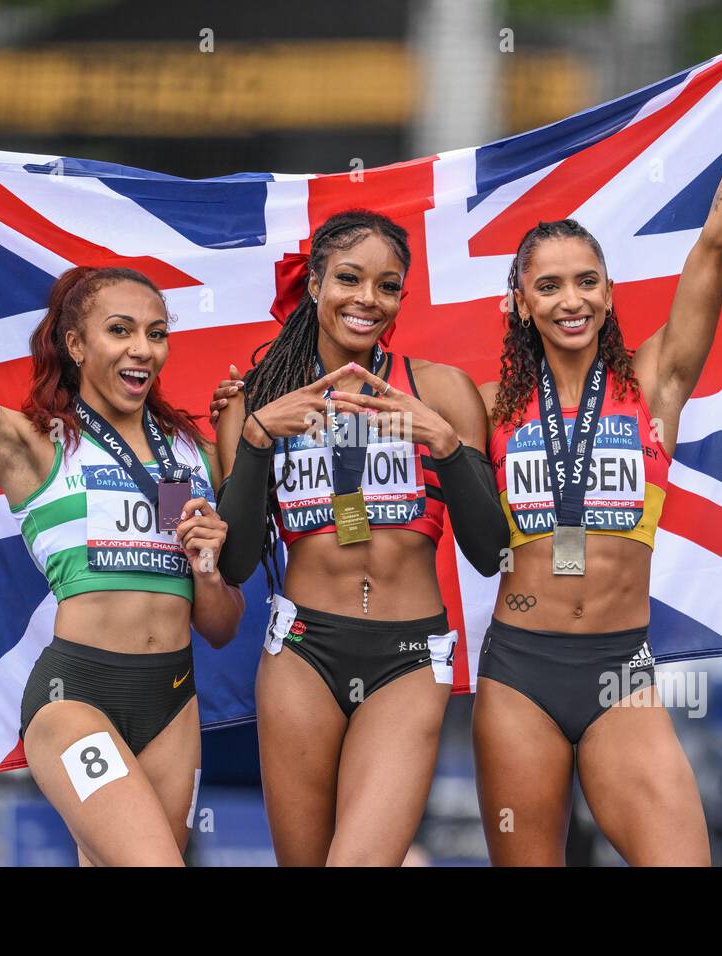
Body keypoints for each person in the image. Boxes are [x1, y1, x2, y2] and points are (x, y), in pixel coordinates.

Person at [471, 28, 722, 866]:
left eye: (586, 281)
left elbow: (714, 244)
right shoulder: (486, 404)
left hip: (619, 672)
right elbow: (381, 375)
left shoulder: (654, 382)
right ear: (521, 303)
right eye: (549, 285)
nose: (571, 300)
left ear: (607, 292)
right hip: (517, 670)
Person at [0, 146, 243, 866]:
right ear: (76, 343)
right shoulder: (33, 446)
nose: (142, 348)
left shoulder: (187, 456)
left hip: (174, 702)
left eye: (156, 332)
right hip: (73, 696)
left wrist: (209, 570)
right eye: (120, 331)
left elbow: (217, 627)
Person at [213, 209, 509, 865]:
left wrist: (447, 444)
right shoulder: (256, 399)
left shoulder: (442, 390)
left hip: (408, 657)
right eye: (349, 278)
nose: (367, 300)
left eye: (388, 286)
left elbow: (491, 554)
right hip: (300, 651)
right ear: (315, 283)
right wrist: (259, 439)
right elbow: (234, 563)